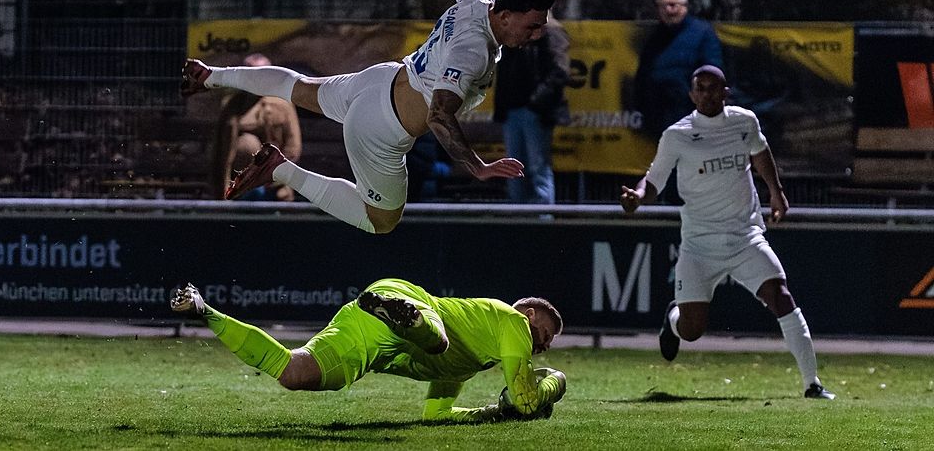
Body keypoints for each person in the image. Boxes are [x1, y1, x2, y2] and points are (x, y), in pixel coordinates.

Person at [180, 0, 573, 233]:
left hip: (379, 79)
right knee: (381, 221)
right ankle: (281, 171)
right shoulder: (473, 51)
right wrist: (478, 167)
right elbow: (439, 115)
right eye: (532, 26)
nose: (536, 34)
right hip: (382, 130)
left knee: (299, 87)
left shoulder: (477, 1)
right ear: (504, 16)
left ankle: (212, 76)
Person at [619, 65, 835, 400]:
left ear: (725, 92)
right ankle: (673, 319)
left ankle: (813, 384)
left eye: (713, 88)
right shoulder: (677, 134)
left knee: (781, 296)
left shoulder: (744, 121)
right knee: (692, 330)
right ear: (692, 94)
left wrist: (776, 192)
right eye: (700, 88)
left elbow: (760, 152)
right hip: (699, 246)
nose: (707, 94)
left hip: (745, 237)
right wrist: (637, 197)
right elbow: (654, 180)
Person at [170, 278, 567, 423]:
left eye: (547, 343)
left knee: (293, 373)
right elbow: (525, 401)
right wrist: (555, 382)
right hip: (409, 302)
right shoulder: (513, 323)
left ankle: (204, 310)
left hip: (373, 330)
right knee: (437, 339)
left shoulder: (473, 358)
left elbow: (435, 414)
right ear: (529, 314)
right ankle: (410, 318)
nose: (544, 344)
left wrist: (492, 412)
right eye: (546, 333)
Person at [631, 0, 724, 204]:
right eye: (664, 5)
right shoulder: (654, 38)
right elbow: (643, 74)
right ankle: (668, 211)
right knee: (664, 167)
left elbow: (713, 73)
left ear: (685, 6)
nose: (669, 10)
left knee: (691, 168)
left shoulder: (702, 33)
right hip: (659, 116)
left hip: (691, 115)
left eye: (674, 5)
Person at [493, 16, 570, 204]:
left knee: (538, 169)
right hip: (512, 109)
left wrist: (536, 101)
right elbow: (504, 68)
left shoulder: (551, 30)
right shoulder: (515, 29)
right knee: (514, 170)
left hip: (535, 111)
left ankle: (543, 218)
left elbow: (560, 71)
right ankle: (519, 218)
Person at [214, 53, 303, 201]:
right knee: (247, 143)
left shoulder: (283, 105)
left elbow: (293, 147)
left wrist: (273, 176)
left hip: (275, 186)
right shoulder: (233, 106)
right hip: (238, 186)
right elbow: (220, 151)